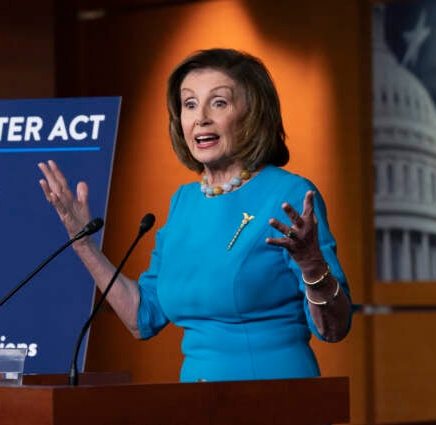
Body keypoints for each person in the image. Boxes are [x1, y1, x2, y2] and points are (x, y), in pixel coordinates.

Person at [38, 47, 352, 382]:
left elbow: (334, 328)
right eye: (189, 104)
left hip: (273, 399)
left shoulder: (288, 194)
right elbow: (141, 316)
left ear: (253, 114)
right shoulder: (184, 201)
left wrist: (312, 264)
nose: (200, 117)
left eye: (219, 102)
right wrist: (83, 244)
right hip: (196, 403)